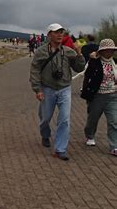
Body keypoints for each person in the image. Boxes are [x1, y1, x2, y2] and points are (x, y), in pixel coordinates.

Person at [30, 23, 86, 160]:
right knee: (45, 119)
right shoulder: (41, 52)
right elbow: (35, 71)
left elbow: (79, 68)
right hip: (47, 89)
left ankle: (60, 149)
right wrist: (37, 89)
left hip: (64, 88)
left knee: (64, 119)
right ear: (49, 35)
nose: (60, 34)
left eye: (62, 32)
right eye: (56, 32)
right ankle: (45, 134)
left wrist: (79, 54)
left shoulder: (68, 51)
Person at [80, 39, 117, 155]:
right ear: (101, 51)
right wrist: (92, 58)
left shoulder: (115, 63)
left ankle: (114, 146)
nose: (109, 52)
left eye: (111, 50)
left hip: (112, 95)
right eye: (106, 50)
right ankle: (90, 135)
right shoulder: (95, 62)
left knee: (114, 121)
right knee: (93, 119)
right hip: (97, 96)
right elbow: (88, 75)